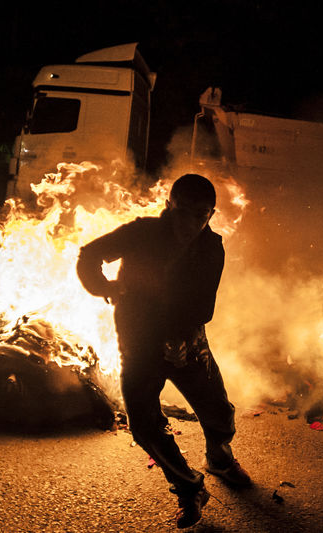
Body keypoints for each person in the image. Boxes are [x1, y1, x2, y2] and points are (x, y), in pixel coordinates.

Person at [77, 173, 251, 528]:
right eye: (184, 212)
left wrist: (181, 341)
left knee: (218, 411)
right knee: (143, 425)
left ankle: (219, 458)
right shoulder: (141, 232)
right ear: (169, 205)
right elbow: (89, 254)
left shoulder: (211, 247)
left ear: (211, 213)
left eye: (201, 214)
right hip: (139, 343)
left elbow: (203, 306)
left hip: (189, 343)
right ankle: (188, 489)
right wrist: (104, 287)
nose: (191, 222)